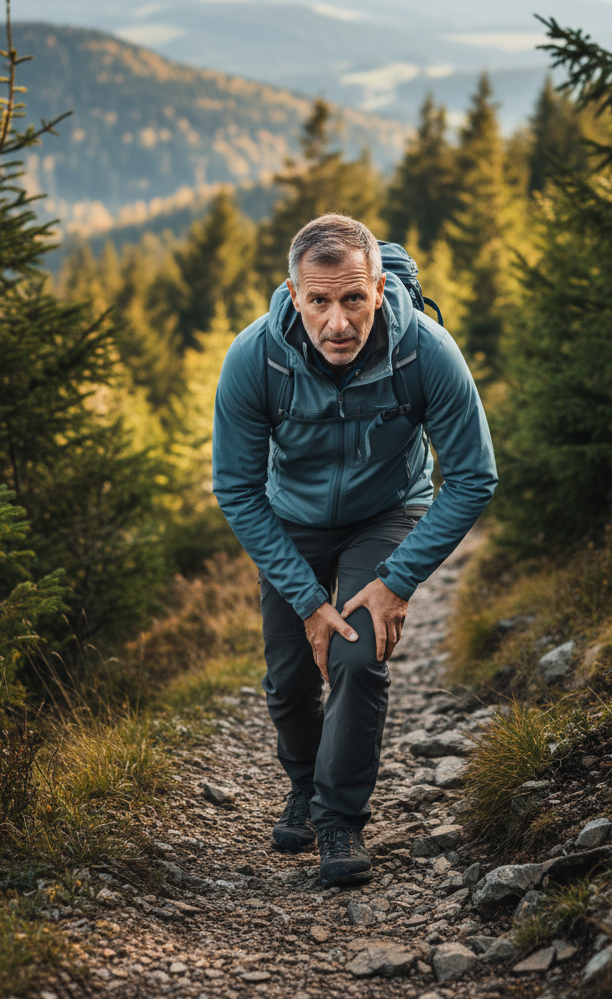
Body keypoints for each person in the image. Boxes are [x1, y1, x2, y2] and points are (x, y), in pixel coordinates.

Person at [212, 214, 497, 886]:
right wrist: (308, 599)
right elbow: (236, 489)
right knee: (289, 680)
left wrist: (397, 580)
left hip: (386, 512)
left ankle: (340, 818)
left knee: (357, 656)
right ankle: (303, 786)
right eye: (319, 301)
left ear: (378, 287)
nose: (337, 322)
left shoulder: (426, 350)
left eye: (353, 299)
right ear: (293, 293)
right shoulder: (255, 358)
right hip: (291, 521)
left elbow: (474, 477)